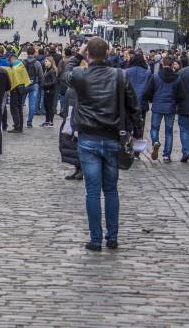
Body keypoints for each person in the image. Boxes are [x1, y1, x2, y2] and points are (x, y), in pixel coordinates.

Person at [60, 37, 142, 251]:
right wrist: (137, 136)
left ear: (88, 53)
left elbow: (65, 73)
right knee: (111, 190)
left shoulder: (80, 74)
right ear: (108, 52)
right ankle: (112, 236)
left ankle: (96, 239)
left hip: (88, 138)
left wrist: (78, 54)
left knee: (93, 191)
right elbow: (134, 107)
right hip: (113, 137)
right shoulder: (120, 76)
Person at [143, 55, 179, 162]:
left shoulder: (155, 76)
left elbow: (148, 92)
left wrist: (152, 99)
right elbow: (180, 93)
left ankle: (155, 142)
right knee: (169, 131)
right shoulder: (177, 77)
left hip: (158, 105)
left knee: (154, 128)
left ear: (162, 63)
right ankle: (166, 155)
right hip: (170, 106)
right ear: (172, 64)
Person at [124, 52, 152, 139]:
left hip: (128, 101)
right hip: (142, 102)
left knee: (127, 123)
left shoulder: (126, 72)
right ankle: (138, 141)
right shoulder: (147, 72)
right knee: (140, 123)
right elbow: (149, 88)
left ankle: (128, 141)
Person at [59, 86, 83, 180]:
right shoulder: (71, 89)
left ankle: (80, 170)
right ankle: (77, 169)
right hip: (70, 118)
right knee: (71, 145)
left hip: (76, 120)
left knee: (76, 145)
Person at [23, 46, 43, 128]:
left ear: (27, 53)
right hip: (34, 84)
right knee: (32, 104)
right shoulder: (37, 63)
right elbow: (40, 75)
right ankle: (29, 121)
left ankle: (19, 120)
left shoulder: (23, 62)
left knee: (21, 103)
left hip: (24, 84)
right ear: (34, 53)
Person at [40, 57, 58, 128]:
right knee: (46, 106)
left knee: (50, 107)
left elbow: (54, 82)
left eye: (47, 61)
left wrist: (45, 85)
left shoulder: (52, 71)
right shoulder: (47, 70)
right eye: (45, 61)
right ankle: (47, 121)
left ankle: (50, 122)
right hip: (46, 90)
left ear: (51, 62)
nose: (45, 62)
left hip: (50, 91)